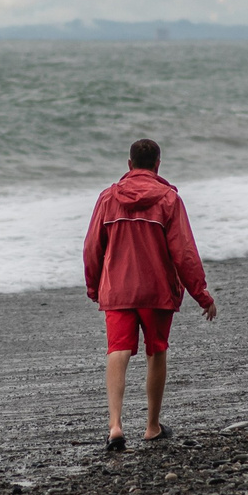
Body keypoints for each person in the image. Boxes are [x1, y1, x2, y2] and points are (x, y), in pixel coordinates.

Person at [82, 137, 216, 451]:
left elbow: (91, 247)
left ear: (129, 164)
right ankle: (152, 426)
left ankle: (115, 425)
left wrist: (93, 286)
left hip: (118, 289)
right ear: (158, 165)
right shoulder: (169, 199)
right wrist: (201, 293)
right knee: (156, 351)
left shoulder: (107, 198)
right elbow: (183, 252)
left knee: (117, 349)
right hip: (157, 290)